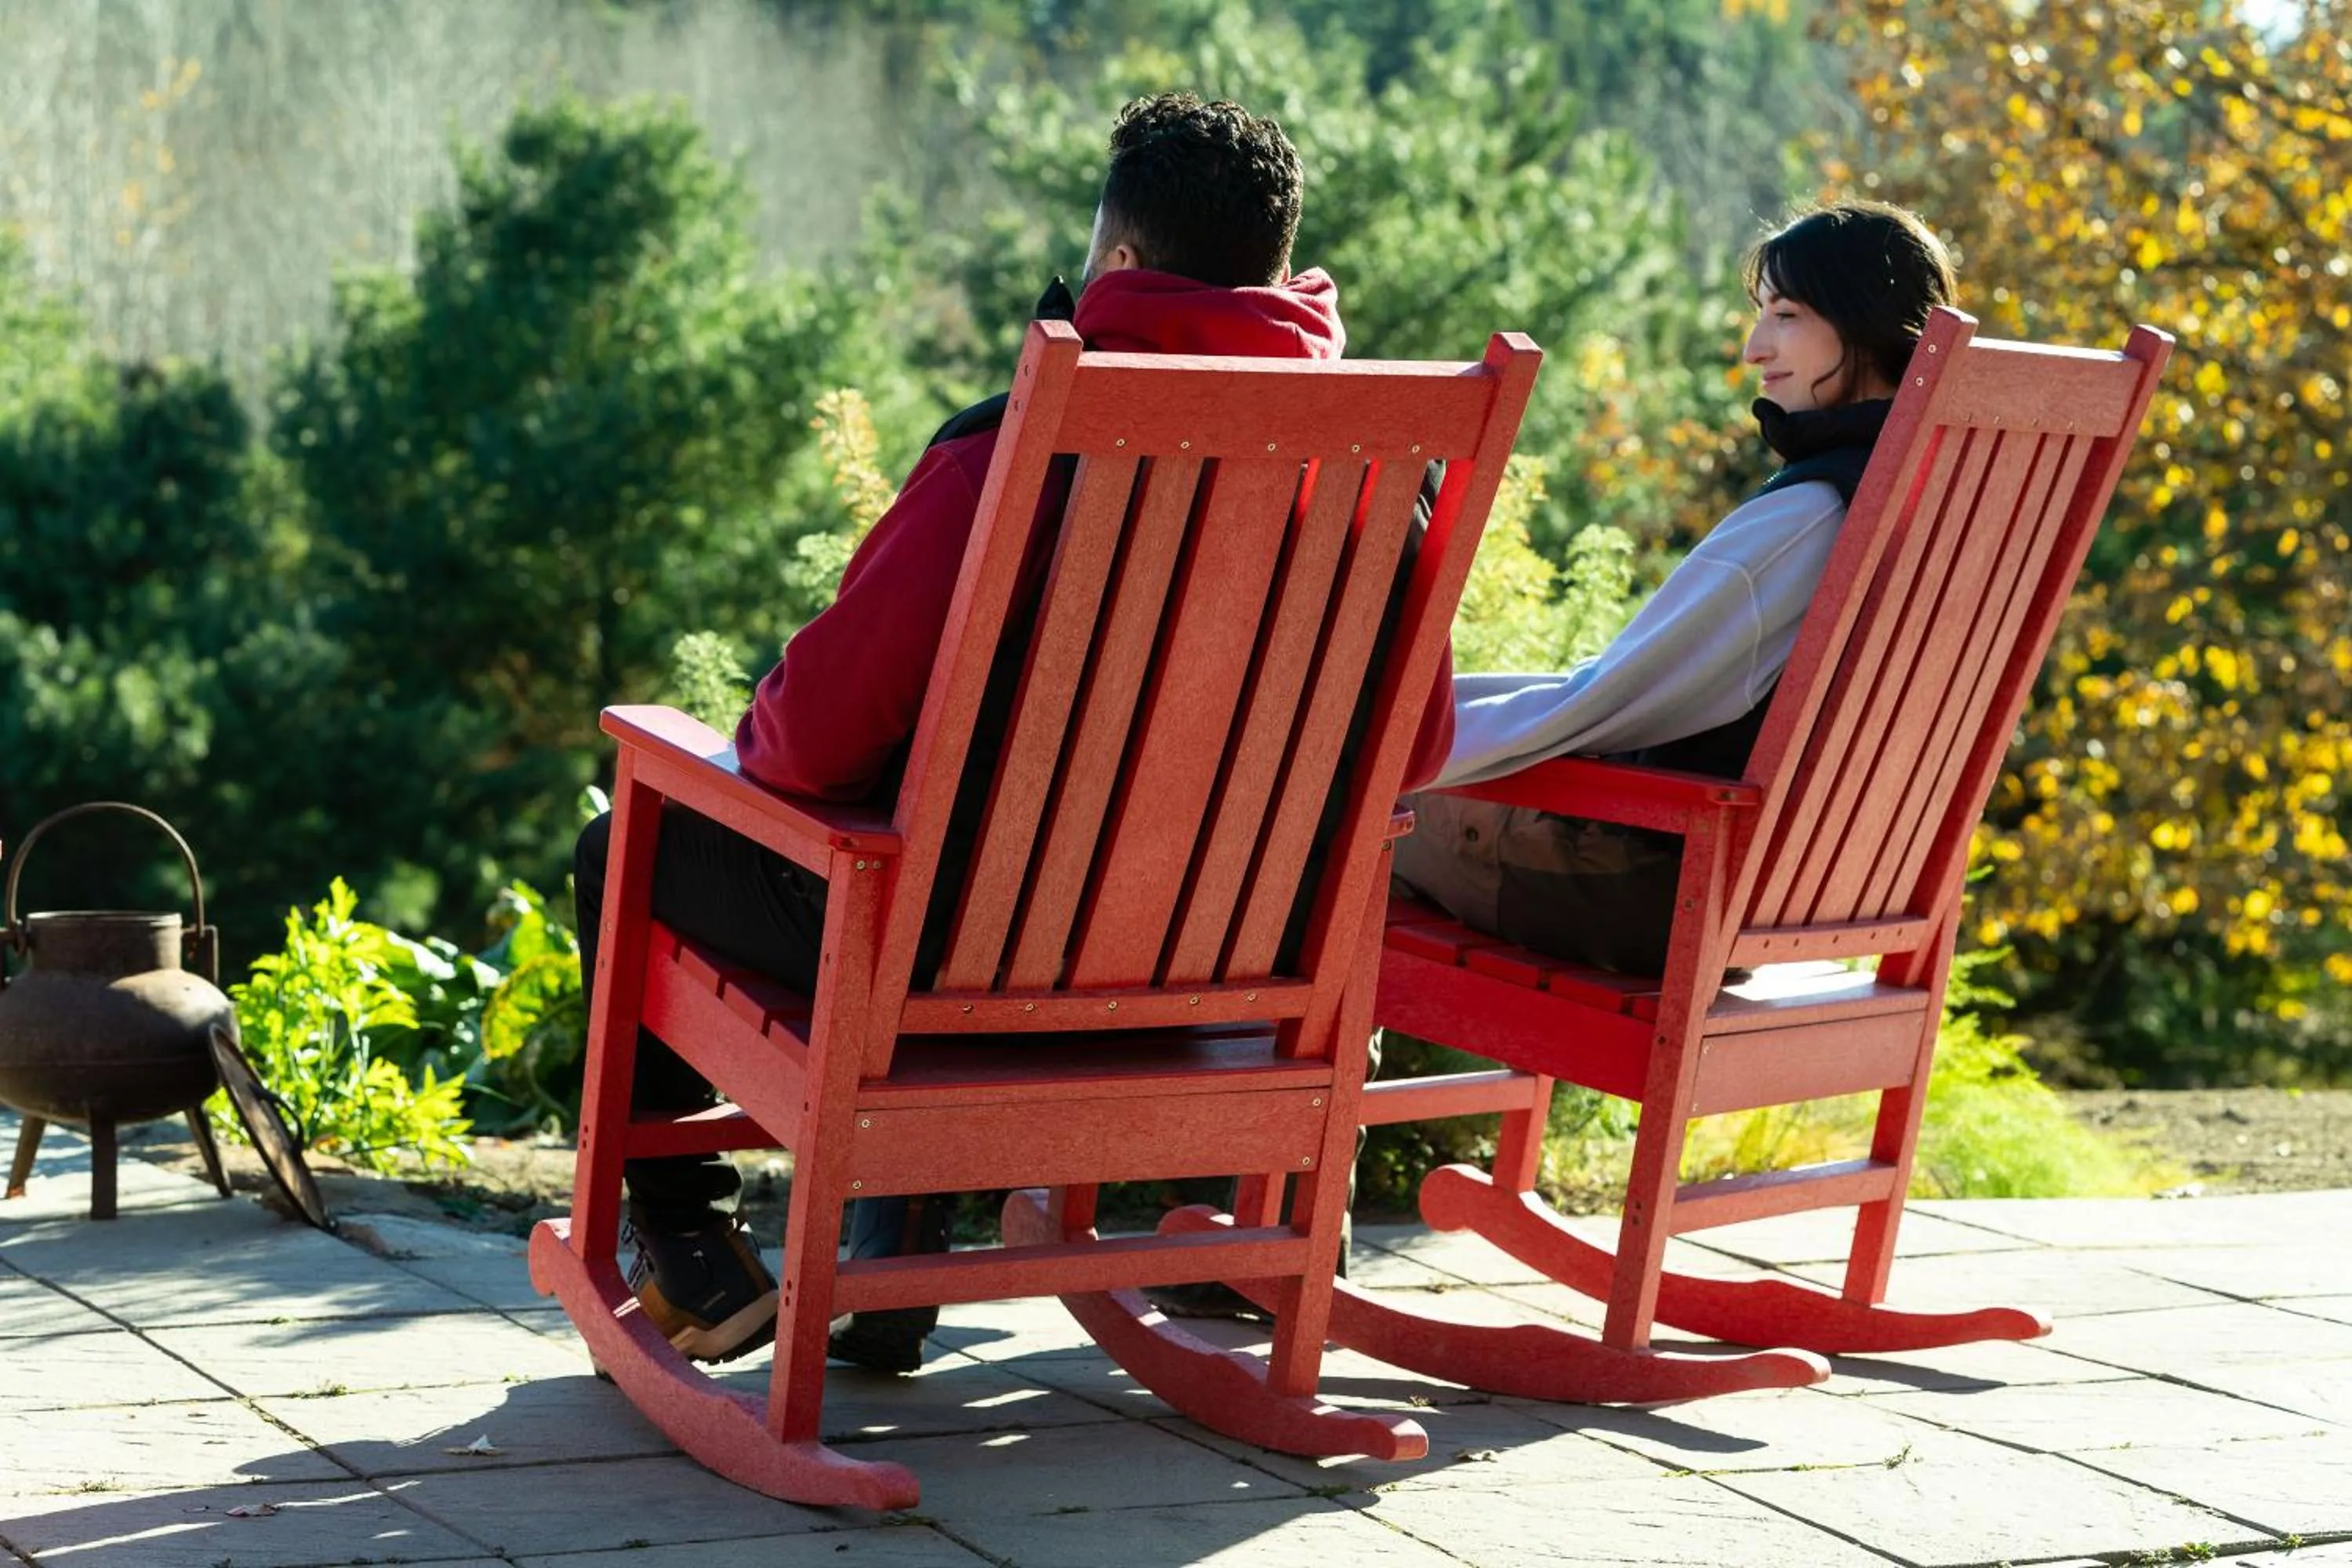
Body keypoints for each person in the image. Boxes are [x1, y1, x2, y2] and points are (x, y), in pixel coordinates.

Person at [573, 92, 1457, 1373]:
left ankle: (694, 1257)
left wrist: (742, 738)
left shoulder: (1019, 449)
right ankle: (886, 1276)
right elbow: (1415, 752)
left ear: (1117, 264)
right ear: (1279, 268)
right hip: (1231, 974)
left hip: (960, 976)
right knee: (941, 847)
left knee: (634, 847)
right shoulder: (1386, 472)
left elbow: (809, 744)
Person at [1391, 200, 1958, 976]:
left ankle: (1282, 1083)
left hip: (1655, 893)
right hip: (1790, 900)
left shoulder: (1807, 517)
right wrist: (1423, 707)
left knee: (1322, 810)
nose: (1756, 348)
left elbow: (1600, 705)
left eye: (1786, 315)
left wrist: (1377, 746)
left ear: (1865, 323)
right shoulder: (1935, 511)